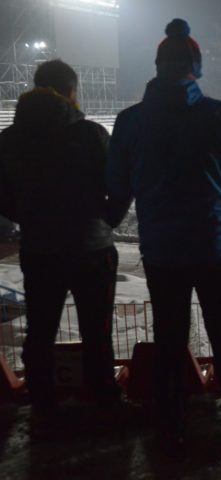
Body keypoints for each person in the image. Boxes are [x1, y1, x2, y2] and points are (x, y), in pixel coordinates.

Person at [106, 19, 221, 457]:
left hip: (163, 251)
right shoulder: (218, 114)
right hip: (216, 246)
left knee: (169, 341)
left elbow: (116, 188)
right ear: (196, 67)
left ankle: (169, 428)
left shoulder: (129, 121)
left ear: (157, 67)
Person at [0, 59, 121, 431]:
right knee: (95, 330)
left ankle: (43, 406)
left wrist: (29, 218)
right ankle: (105, 402)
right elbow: (118, 185)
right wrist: (107, 220)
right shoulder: (90, 134)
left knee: (41, 329)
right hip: (91, 247)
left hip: (40, 250)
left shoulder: (8, 138)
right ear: (70, 92)